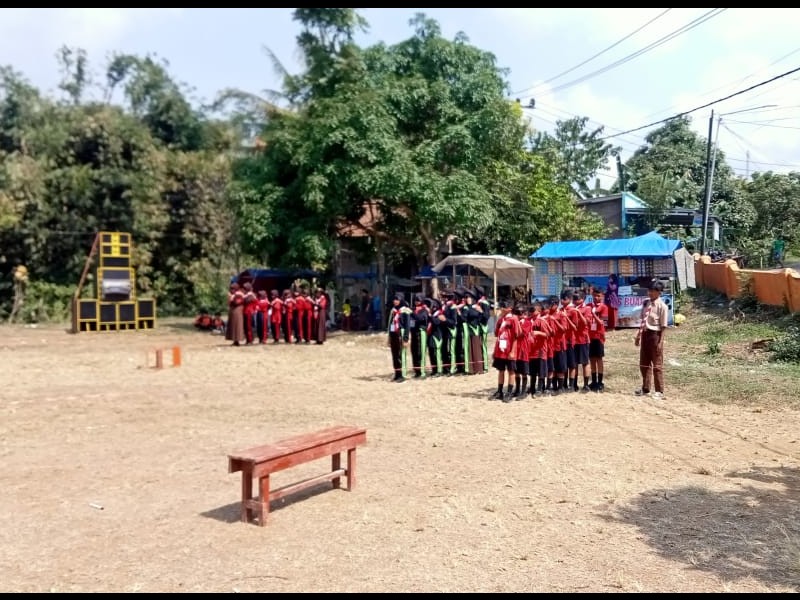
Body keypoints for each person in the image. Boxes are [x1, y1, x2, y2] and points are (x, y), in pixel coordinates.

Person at [636, 281, 669, 399]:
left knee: (657, 364)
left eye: (653, 291)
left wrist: (660, 342)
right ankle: (645, 388)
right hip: (645, 334)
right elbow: (643, 321)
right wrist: (638, 335)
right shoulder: (646, 303)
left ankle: (659, 391)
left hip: (655, 335)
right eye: (649, 290)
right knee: (644, 363)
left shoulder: (662, 306)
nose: (650, 293)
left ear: (659, 292)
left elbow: (663, 327)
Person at [387, 292, 411, 382]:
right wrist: (389, 337)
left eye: (397, 299)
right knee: (395, 355)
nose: (395, 301)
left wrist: (406, 338)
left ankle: (402, 375)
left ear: (401, 300)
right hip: (393, 334)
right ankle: (397, 374)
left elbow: (407, 325)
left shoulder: (405, 310)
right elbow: (390, 324)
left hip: (401, 333)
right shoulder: (393, 310)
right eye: (394, 299)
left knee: (402, 355)